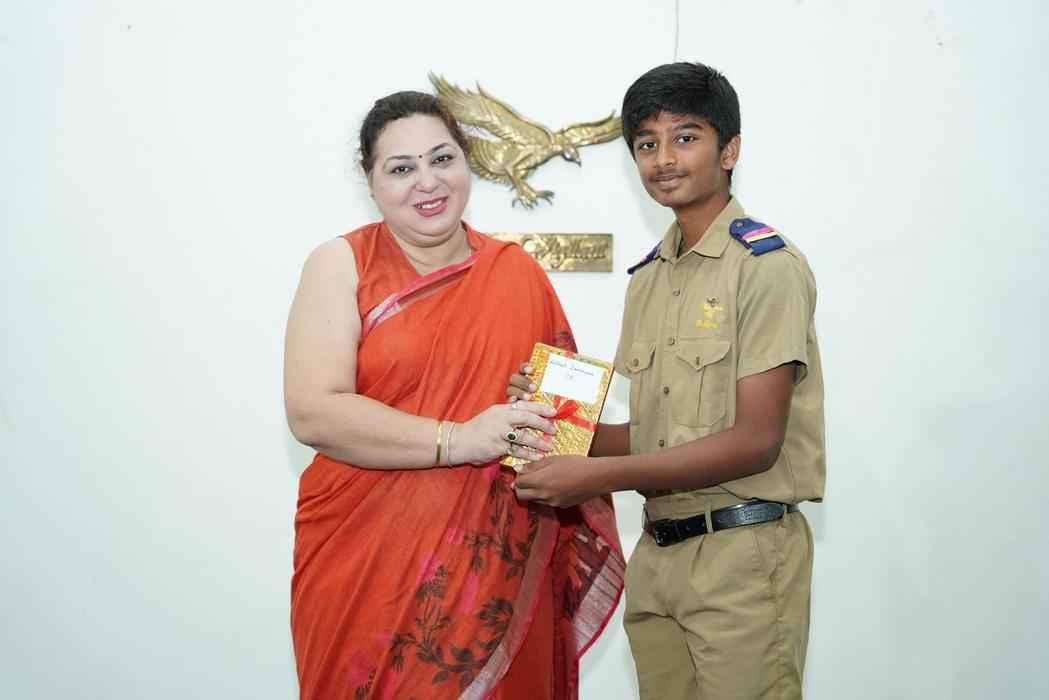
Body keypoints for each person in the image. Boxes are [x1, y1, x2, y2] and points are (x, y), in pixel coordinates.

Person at [284, 90, 624, 700]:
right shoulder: (341, 264)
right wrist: (458, 439)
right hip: (366, 566)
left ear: (467, 161)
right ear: (370, 180)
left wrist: (543, 418)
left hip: (494, 574)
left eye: (442, 159)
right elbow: (314, 412)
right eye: (401, 168)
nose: (427, 182)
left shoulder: (517, 273)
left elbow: (563, 431)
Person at [508, 62, 825, 699]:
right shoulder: (649, 280)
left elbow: (756, 440)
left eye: (685, 137)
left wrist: (595, 478)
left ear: (729, 150)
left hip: (742, 555)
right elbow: (654, 435)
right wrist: (553, 426)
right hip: (658, 557)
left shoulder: (765, 267)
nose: (664, 159)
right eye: (646, 144)